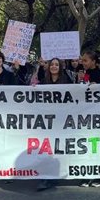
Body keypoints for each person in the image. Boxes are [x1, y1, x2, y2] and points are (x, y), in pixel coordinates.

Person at [36, 58, 72, 191]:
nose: (54, 67)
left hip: (61, 121)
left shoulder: (67, 81)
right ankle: (46, 177)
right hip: (46, 121)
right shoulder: (43, 82)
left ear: (60, 67)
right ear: (48, 67)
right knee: (46, 148)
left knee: (57, 148)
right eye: (52, 64)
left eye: (57, 65)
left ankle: (54, 176)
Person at [80, 50, 100, 186]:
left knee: (98, 144)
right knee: (86, 145)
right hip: (85, 116)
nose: (82, 62)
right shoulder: (82, 75)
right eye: (82, 60)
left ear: (93, 61)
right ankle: (87, 174)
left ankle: (99, 175)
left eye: (85, 60)